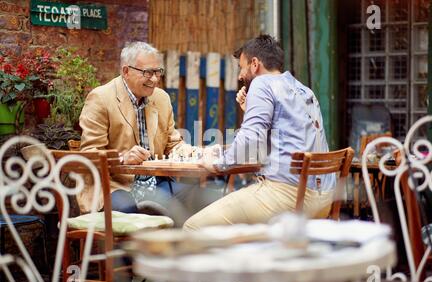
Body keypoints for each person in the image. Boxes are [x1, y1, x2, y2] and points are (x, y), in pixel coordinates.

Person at [184, 34, 336, 229]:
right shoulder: (304, 90)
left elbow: (250, 139)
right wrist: (250, 111)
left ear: (254, 64)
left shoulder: (262, 84)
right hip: (323, 199)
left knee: (193, 227)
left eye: (241, 67)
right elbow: (284, 138)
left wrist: (217, 164)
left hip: (289, 197)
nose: (240, 76)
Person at [78, 41, 197, 224]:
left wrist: (189, 151)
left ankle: (175, 251)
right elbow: (89, 154)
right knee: (126, 209)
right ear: (126, 71)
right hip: (114, 186)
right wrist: (122, 158)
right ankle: (131, 253)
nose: (155, 79)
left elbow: (173, 143)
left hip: (155, 183)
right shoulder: (101, 98)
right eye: (147, 72)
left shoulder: (161, 98)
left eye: (158, 72)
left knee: (194, 196)